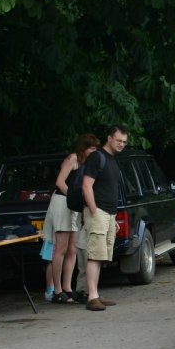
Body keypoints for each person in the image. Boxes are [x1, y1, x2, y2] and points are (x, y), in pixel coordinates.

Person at [47, 133, 99, 304]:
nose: (94, 152)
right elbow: (60, 181)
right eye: (92, 148)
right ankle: (57, 290)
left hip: (74, 206)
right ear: (84, 148)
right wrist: (73, 197)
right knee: (60, 248)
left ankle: (68, 288)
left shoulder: (87, 164)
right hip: (62, 202)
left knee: (72, 249)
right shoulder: (73, 159)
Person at [82, 125, 128, 311]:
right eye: (118, 140)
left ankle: (96, 294)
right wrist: (94, 211)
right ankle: (91, 297)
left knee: (101, 254)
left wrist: (113, 218)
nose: (121, 144)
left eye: (124, 142)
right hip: (98, 212)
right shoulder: (96, 157)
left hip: (108, 214)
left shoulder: (112, 160)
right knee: (94, 254)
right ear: (109, 138)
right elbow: (87, 185)